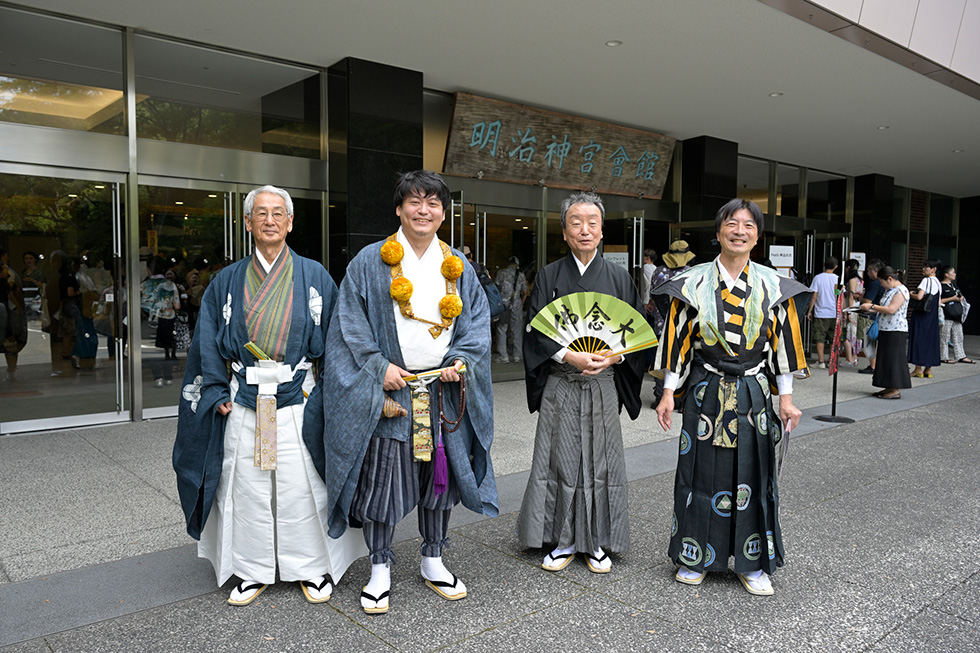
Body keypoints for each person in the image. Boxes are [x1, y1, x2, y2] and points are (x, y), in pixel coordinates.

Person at [172, 185, 366, 607]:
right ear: (247, 223)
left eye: (279, 213)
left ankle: (311, 566)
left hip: (299, 395)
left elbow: (339, 340)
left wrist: (333, 394)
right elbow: (207, 340)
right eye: (261, 213)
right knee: (247, 485)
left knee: (303, 484)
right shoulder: (225, 280)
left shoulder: (314, 275)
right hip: (246, 396)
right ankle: (252, 567)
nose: (270, 220)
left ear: (291, 222)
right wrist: (217, 388)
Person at [322, 170, 497, 614]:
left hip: (440, 390)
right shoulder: (369, 260)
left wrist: (462, 361)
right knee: (383, 481)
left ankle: (433, 558)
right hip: (393, 392)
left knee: (439, 478)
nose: (424, 210)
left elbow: (476, 325)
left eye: (433, 203)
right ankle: (379, 566)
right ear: (399, 209)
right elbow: (349, 326)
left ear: (443, 212)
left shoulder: (457, 264)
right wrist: (378, 368)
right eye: (414, 202)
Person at [653, 199, 808, 596]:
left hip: (753, 392)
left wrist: (785, 399)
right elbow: (678, 343)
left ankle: (752, 562)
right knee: (699, 474)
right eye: (731, 224)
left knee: (754, 475)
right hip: (705, 389)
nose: (739, 231)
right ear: (718, 231)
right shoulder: (692, 283)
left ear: (757, 235)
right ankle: (694, 556)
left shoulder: (775, 286)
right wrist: (668, 391)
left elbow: (784, 349)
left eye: (748, 226)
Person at [517, 191, 644, 575]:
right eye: (576, 222)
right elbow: (536, 330)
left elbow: (638, 334)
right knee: (561, 460)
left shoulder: (621, 278)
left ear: (602, 230)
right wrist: (567, 355)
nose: (585, 229)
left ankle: (598, 541)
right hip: (561, 381)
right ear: (564, 231)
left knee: (602, 461)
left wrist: (614, 356)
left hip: (603, 382)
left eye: (592, 222)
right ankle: (564, 539)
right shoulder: (550, 276)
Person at [860, 266, 911, 399]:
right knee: (885, 358)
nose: (881, 285)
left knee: (893, 359)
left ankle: (894, 389)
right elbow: (884, 308)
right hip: (886, 328)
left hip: (896, 329)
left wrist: (871, 306)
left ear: (889, 279)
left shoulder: (901, 290)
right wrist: (870, 310)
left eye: (882, 282)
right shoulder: (891, 290)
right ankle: (888, 386)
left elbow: (891, 309)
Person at [908, 259, 942, 378]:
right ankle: (928, 369)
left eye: (926, 267)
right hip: (932, 316)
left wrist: (910, 293)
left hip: (921, 315)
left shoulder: (926, 280)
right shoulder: (938, 282)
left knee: (919, 339)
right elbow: (938, 303)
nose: (923, 269)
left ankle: (918, 368)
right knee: (930, 340)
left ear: (934, 269)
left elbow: (919, 297)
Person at [805, 256, 839, 369]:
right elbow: (839, 296)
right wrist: (842, 312)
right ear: (836, 267)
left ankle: (821, 361)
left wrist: (809, 310)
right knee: (832, 338)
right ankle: (831, 360)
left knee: (819, 337)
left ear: (824, 265)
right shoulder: (837, 279)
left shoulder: (818, 278)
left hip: (820, 312)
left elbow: (814, 295)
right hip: (834, 312)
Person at [494, 256, 528, 363]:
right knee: (517, 330)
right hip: (516, 304)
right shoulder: (521, 275)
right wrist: (521, 303)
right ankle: (517, 355)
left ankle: (503, 355)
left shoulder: (501, 273)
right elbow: (525, 292)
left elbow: (496, 289)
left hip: (504, 305)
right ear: (517, 264)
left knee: (501, 329)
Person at [1, 248, 27, 381]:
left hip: (8, 309)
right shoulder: (7, 272)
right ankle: (11, 369)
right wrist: (19, 307)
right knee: (10, 341)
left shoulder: (8, 272)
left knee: (9, 341)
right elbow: (12, 292)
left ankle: (11, 370)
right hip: (8, 310)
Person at [938, 266, 973, 365]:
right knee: (944, 336)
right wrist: (952, 298)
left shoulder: (954, 286)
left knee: (958, 335)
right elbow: (938, 301)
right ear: (946, 274)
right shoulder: (941, 286)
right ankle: (943, 356)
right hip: (947, 314)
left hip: (957, 314)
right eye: (953, 272)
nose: (955, 274)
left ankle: (961, 356)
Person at [859, 259, 885, 375]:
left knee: (871, 339)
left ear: (875, 271)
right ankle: (877, 365)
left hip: (873, 315)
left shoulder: (875, 284)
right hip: (882, 316)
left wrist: (860, 298)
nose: (868, 273)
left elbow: (868, 301)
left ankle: (873, 365)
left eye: (869, 271)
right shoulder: (884, 284)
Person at [841, 259, 862, 366]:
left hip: (852, 308)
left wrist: (848, 312)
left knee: (847, 334)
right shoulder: (860, 280)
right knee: (854, 333)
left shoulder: (852, 280)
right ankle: (854, 357)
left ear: (848, 268)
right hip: (857, 307)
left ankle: (850, 358)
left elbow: (851, 297)